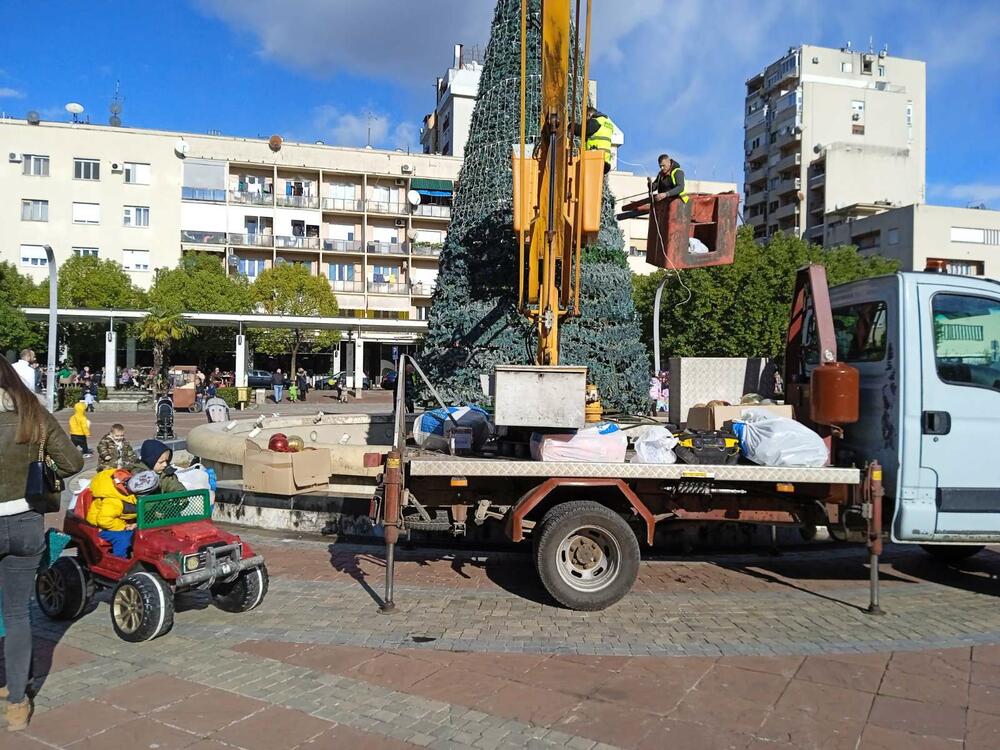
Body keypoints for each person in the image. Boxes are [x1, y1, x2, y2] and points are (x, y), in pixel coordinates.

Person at [0, 355, 84, 731]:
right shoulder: (31, 412)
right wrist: (38, 468)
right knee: (18, 614)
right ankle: (17, 701)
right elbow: (72, 463)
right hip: (24, 522)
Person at [85, 469, 137, 558]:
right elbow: (104, 521)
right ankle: (119, 560)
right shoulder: (112, 500)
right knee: (123, 539)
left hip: (118, 524)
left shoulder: (129, 496)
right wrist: (124, 526)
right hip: (102, 528)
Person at [574, 106, 616, 174]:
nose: (585, 121)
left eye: (585, 118)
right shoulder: (607, 122)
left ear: (589, 115)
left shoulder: (596, 121)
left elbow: (585, 131)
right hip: (604, 161)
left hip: (595, 158)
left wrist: (573, 127)